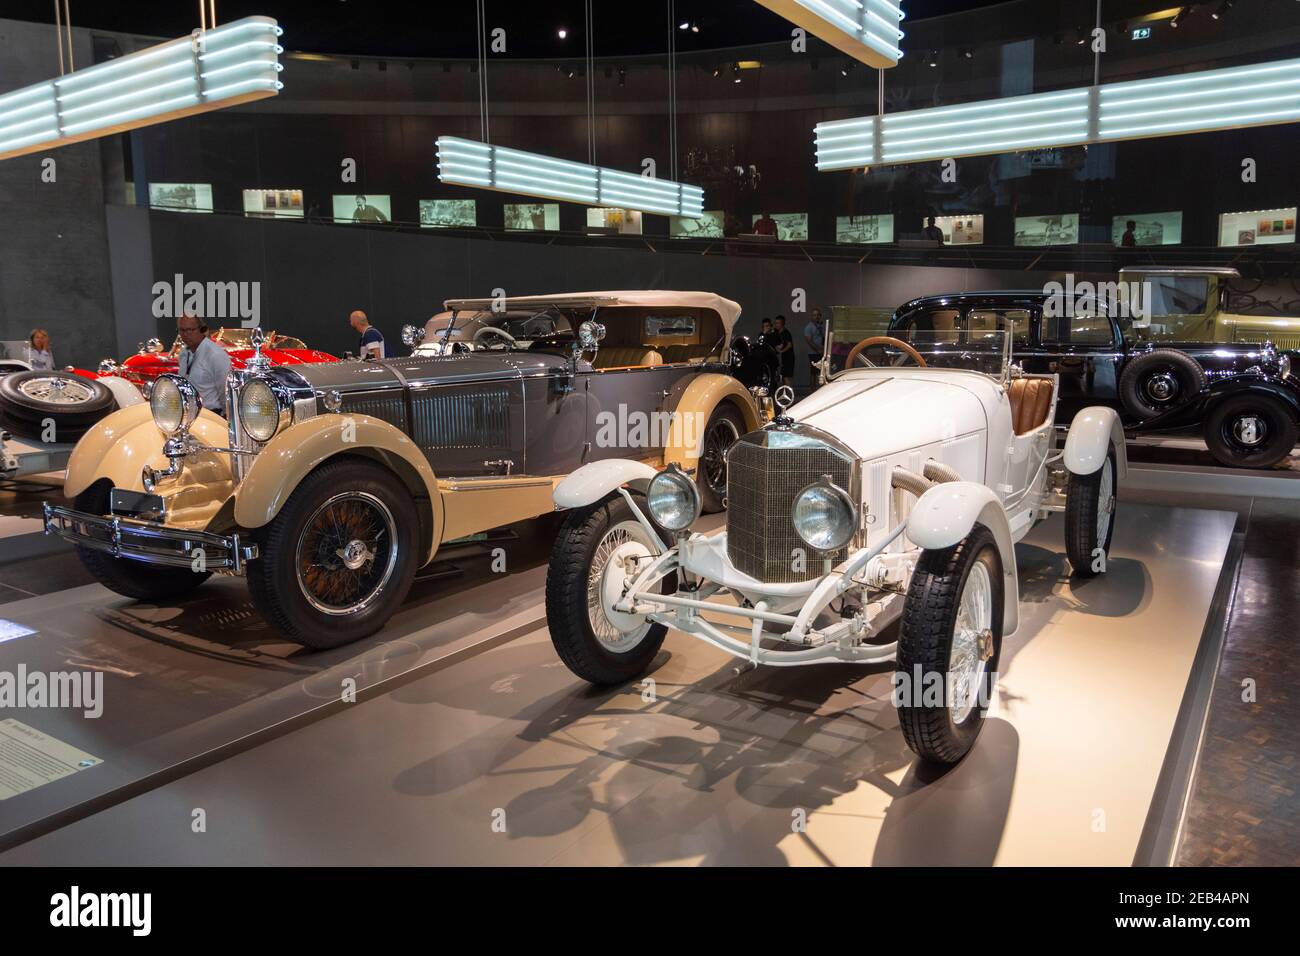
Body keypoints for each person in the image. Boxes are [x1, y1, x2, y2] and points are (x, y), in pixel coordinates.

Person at [176, 313, 232, 414]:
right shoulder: (184, 354)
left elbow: (226, 393)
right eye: (182, 330)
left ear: (201, 330)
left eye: (190, 330)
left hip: (212, 415)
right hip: (189, 414)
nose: (185, 334)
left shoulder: (216, 355)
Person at [773, 315, 795, 388]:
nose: (776, 325)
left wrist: (781, 351)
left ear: (782, 324)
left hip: (788, 358)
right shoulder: (777, 333)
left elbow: (789, 345)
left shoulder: (786, 333)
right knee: (783, 376)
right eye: (775, 323)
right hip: (783, 359)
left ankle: (790, 393)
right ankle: (786, 393)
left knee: (786, 376)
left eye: (778, 323)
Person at [803, 309, 825, 379]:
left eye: (818, 315)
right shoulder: (809, 327)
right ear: (811, 316)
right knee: (813, 372)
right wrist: (818, 350)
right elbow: (809, 341)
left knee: (821, 371)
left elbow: (822, 337)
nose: (817, 317)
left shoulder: (820, 326)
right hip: (813, 353)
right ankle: (812, 389)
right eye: (814, 315)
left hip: (821, 352)